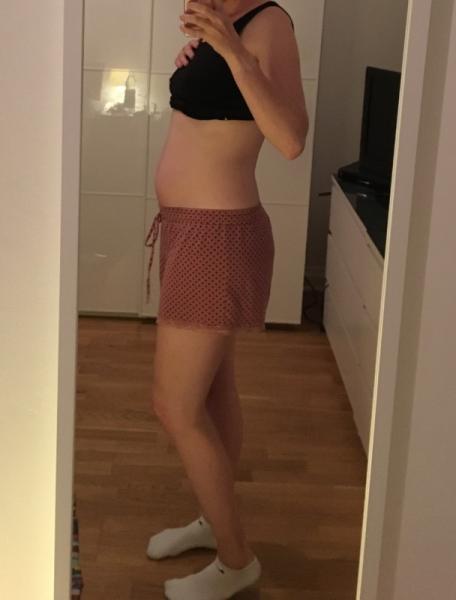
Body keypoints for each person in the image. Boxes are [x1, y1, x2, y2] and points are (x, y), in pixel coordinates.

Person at [144, 1, 308, 598]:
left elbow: (290, 138)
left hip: (218, 236)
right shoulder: (221, 21)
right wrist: (204, 56)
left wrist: (233, 52)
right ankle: (215, 522)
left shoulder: (269, 23)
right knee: (213, 392)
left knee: (174, 405)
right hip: (191, 229)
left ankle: (237, 561)